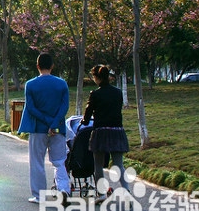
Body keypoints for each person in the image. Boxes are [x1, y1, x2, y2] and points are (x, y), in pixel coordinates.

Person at [17, 52, 70, 203]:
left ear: (38, 66)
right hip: (58, 128)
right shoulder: (62, 84)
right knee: (59, 161)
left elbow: (31, 108)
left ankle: (39, 196)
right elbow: (64, 106)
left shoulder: (31, 85)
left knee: (37, 162)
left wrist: (46, 122)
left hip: (38, 129)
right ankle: (64, 189)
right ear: (52, 66)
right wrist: (53, 123)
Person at [81, 64, 130, 200]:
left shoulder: (95, 94)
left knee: (98, 164)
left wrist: (84, 121)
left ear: (97, 77)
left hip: (101, 132)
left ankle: (101, 193)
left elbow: (87, 114)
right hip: (117, 131)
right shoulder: (118, 92)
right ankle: (126, 190)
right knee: (118, 164)